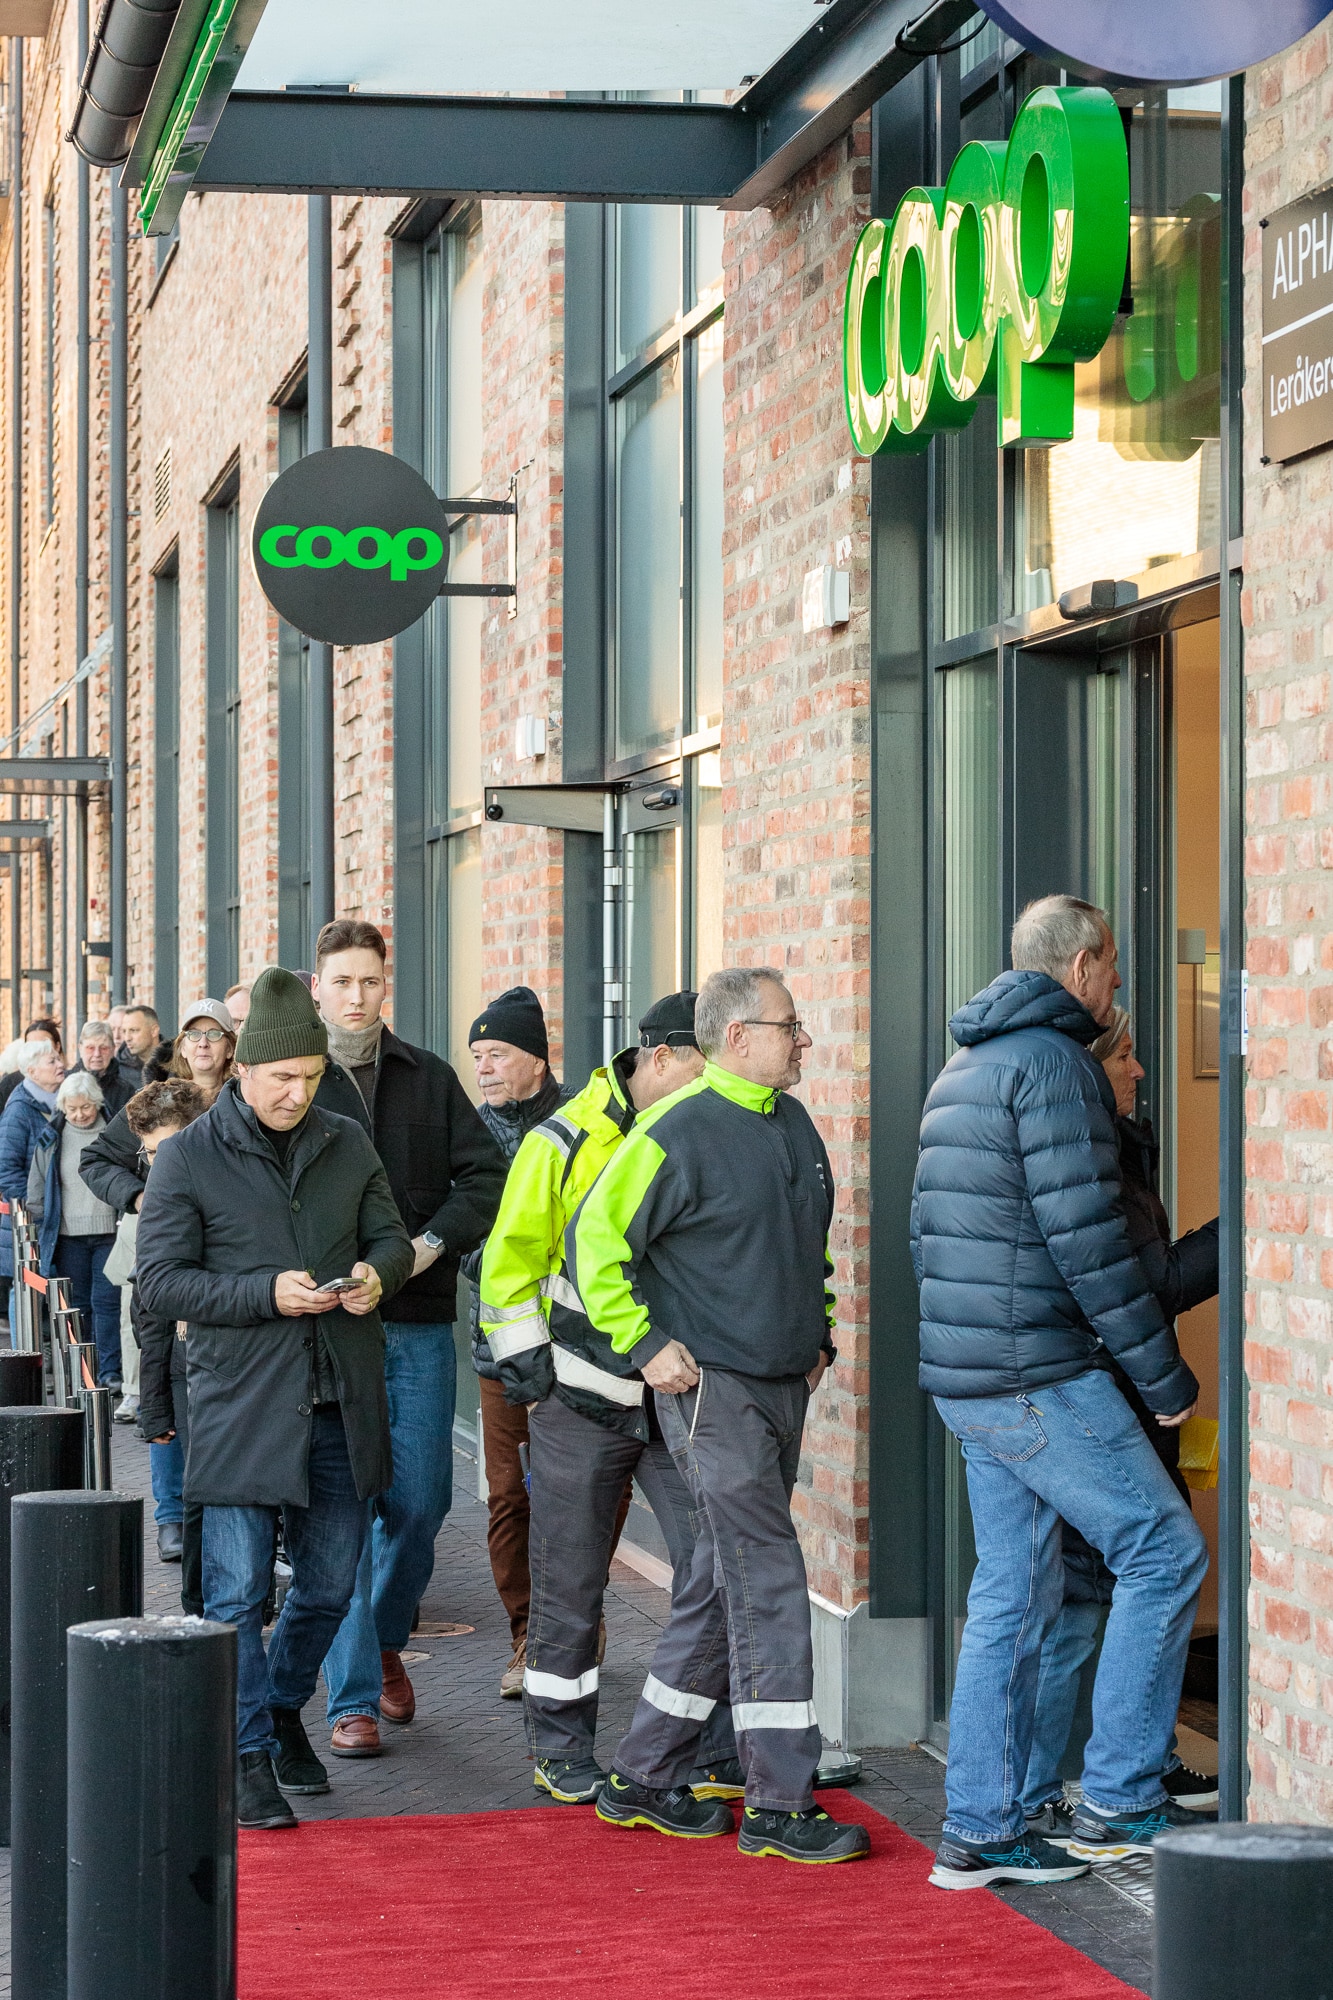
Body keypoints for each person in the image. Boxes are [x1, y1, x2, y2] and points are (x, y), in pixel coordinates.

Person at [911, 893, 1211, 1891]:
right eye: (1111, 964)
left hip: (973, 1376)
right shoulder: (1055, 1065)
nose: (1116, 981)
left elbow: (927, 1236)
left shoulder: (965, 1067)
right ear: (1080, 965)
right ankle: (1119, 1801)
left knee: (1013, 1590)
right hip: (1037, 1376)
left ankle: (983, 1825)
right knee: (1164, 1552)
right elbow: (1089, 1247)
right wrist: (1160, 1378)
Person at [570, 967, 871, 1865]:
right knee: (769, 1574)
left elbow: (806, 1248)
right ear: (737, 1037)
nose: (803, 1039)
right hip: (713, 1390)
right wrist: (643, 1345)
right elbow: (593, 1244)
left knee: (717, 1576)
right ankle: (779, 1800)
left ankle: (642, 1774)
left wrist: (818, 1336)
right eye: (789, 1026)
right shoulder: (675, 1129)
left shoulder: (794, 1123)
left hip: (782, 1384)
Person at [135, 966, 415, 1832]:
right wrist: (266, 1293)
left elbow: (391, 1236)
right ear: (245, 1069)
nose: (299, 1093)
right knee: (235, 1591)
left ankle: (283, 1705)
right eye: (283, 1076)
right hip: (242, 1404)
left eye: (313, 1076)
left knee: (328, 1588)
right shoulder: (188, 1155)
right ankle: (248, 1752)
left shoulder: (347, 1140)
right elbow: (161, 1282)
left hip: (339, 1397)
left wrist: (377, 1276)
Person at [481, 990, 746, 1805]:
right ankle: (560, 1750)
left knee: (714, 1564)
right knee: (569, 1581)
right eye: (702, 1071)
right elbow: (508, 1270)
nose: (713, 1089)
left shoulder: (703, 1130)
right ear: (660, 1059)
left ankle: (709, 1746)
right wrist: (534, 1379)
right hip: (581, 1397)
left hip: (678, 1399)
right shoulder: (560, 1142)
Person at [1021, 1008, 1220, 1837]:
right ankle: (1082, 1790)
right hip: (1092, 1398)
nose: (1139, 1071)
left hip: (1113, 1396)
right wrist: (1239, 1226)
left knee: (1101, 1589)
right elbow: (1143, 1285)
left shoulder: (1113, 1146)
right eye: (1126, 1056)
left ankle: (1128, 1765)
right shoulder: (1085, 1157)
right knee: (1083, 1596)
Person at [311, 919, 506, 1757]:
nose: (356, 996)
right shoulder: (295, 1081)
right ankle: (351, 1695)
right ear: (317, 988)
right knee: (343, 1511)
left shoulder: (428, 1077)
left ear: (384, 983)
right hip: (326, 1328)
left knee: (421, 1503)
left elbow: (485, 1178)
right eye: (342, 982)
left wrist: (425, 1248)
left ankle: (387, 1636)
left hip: (418, 1317)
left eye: (369, 980)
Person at [462, 985, 574, 1697]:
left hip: (579, 1348)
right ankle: (527, 1636)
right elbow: (460, 1235)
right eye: (477, 1056)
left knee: (582, 1496)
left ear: (536, 1058)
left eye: (497, 1054)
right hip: (500, 1350)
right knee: (509, 1495)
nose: (483, 1068)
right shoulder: (468, 1136)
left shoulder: (583, 1126)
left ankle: (578, 1621)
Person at [129, 1079, 209, 1577]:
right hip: (182, 1363)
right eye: (150, 1153)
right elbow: (151, 1320)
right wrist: (154, 1411)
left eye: (166, 1150)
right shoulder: (160, 1203)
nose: (158, 1163)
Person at [25, 1070, 122, 1387]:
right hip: (68, 1236)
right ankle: (83, 1371)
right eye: (72, 1109)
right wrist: (39, 1222)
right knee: (77, 1305)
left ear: (97, 1103)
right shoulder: (51, 1136)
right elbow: (37, 1183)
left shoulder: (114, 1131)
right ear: (62, 1108)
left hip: (109, 1232)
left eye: (86, 1107)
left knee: (107, 1303)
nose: (79, 1114)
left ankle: (109, 1370)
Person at [0, 1036, 66, 1337]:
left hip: (55, 1215)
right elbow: (6, 1169)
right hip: (31, 1218)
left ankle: (46, 1349)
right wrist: (34, 1206)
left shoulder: (60, 1103)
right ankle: (23, 1351)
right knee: (25, 1285)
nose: (61, 1064)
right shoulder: (19, 1110)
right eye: (52, 1061)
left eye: (58, 1058)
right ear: (32, 1071)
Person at [168, 998, 237, 1103]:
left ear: (229, 1049)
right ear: (183, 1048)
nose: (203, 1043)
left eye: (214, 1034)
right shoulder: (164, 1104)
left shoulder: (243, 1101)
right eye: (194, 1034)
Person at [68, 1018, 138, 1118]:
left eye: (104, 1048)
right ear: (80, 1049)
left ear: (113, 1050)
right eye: (90, 1048)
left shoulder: (126, 1091)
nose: (97, 1054)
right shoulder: (65, 1083)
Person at [0, 1020, 65, 1115]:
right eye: (31, 1044)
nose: (37, 1048)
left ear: (57, 1046)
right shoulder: (9, 1084)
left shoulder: (70, 1081)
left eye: (44, 1042)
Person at [119, 1004, 164, 1082]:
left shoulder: (177, 1065)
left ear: (154, 1031)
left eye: (133, 1030)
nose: (127, 1038)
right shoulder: (117, 1072)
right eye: (124, 1031)